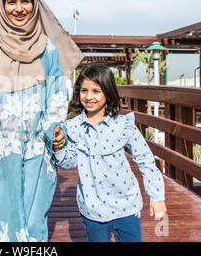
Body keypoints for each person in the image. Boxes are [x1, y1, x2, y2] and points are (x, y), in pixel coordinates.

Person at [0, 0, 84, 242]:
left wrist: (55, 130)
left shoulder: (48, 49)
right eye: (11, 2)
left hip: (38, 147)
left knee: (33, 216)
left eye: (25, 1)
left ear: (35, 4)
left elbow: (57, 96)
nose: (19, 8)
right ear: (2, 6)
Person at [54, 64, 167, 242]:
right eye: (84, 90)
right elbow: (68, 163)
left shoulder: (124, 125)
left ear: (108, 92)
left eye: (96, 91)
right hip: (93, 209)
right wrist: (59, 147)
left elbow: (145, 159)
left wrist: (157, 197)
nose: (89, 97)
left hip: (127, 206)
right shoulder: (73, 127)